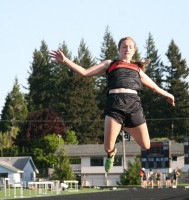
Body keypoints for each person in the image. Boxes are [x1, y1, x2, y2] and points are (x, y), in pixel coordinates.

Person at [49, 37, 175, 173]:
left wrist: (169, 95)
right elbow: (85, 72)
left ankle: (124, 126)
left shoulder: (137, 70)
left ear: (134, 51)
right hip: (115, 104)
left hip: (134, 105)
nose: (127, 49)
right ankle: (112, 153)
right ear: (118, 49)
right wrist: (65, 60)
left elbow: (155, 87)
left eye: (130, 47)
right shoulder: (110, 63)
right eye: (124, 46)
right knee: (108, 147)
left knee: (146, 144)